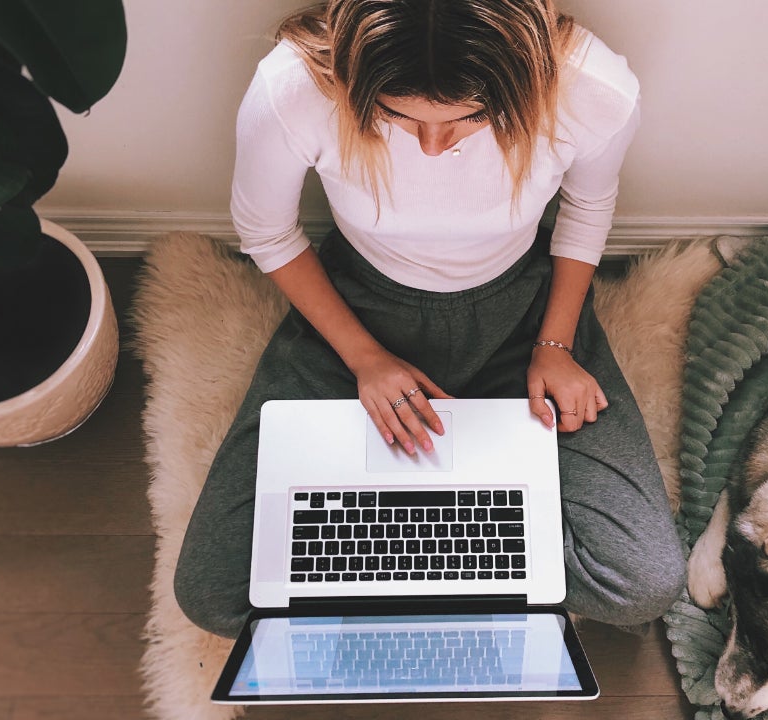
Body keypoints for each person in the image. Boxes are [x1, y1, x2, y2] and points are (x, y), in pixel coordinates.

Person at [175, 0, 687, 639]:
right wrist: (364, 358)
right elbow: (266, 231)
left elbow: (587, 207)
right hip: (359, 311)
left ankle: (439, 535)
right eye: (397, 114)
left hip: (522, 313)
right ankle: (429, 539)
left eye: (471, 116)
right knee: (213, 593)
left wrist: (555, 343)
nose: (433, 146)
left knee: (643, 583)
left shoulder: (593, 88)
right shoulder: (294, 88)